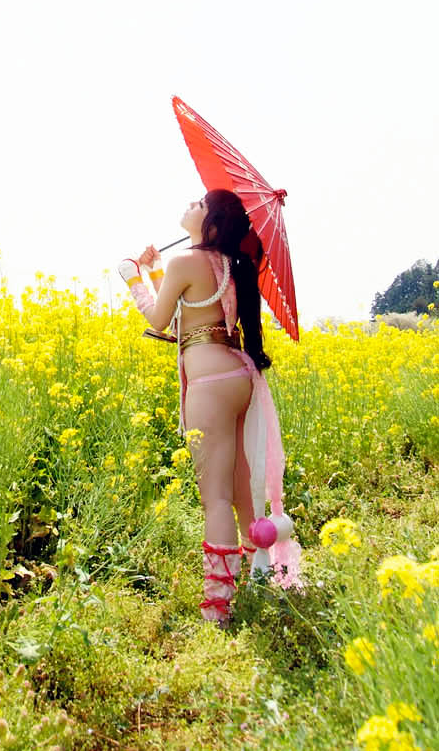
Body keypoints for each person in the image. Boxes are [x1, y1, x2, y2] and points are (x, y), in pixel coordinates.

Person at [118, 188, 301, 625]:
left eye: (200, 204)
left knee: (215, 497)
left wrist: (132, 278)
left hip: (210, 383)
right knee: (240, 486)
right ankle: (260, 576)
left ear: (213, 225)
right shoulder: (229, 264)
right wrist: (155, 270)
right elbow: (190, 313)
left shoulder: (186, 262)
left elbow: (160, 320)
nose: (190, 205)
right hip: (239, 376)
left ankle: (218, 606)